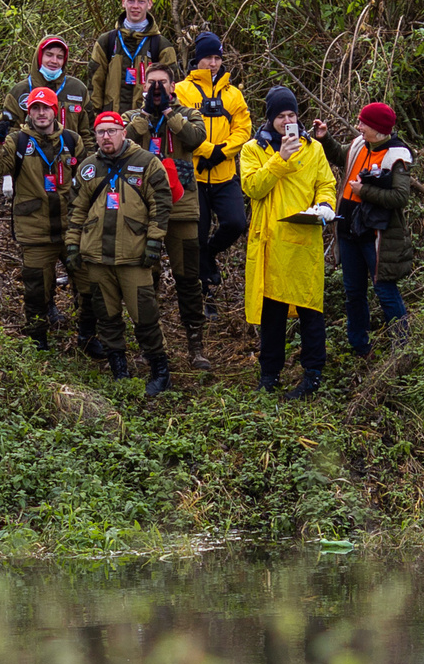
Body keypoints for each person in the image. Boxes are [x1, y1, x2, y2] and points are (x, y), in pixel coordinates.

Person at [66, 110, 174, 398]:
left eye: (111, 131)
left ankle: (160, 371)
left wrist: (154, 242)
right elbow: (76, 209)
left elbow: (161, 205)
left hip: (134, 255)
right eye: (101, 132)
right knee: (107, 316)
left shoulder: (147, 163)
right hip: (98, 256)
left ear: (123, 133)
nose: (106, 137)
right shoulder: (89, 167)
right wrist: (73, 244)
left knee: (145, 315)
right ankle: (119, 369)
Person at [239, 85, 336, 398]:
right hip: (270, 243)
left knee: (310, 311)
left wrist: (325, 206)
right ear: (270, 118)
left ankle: (313, 375)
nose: (286, 121)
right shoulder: (253, 149)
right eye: (280, 116)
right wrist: (280, 159)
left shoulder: (313, 149)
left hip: (303, 241)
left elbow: (326, 184)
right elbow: (252, 187)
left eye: (291, 114)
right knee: (273, 315)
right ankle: (270, 376)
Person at [125, 63, 211, 372]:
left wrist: (168, 114)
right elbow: (122, 142)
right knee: (146, 279)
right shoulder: (134, 117)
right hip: (142, 211)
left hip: (182, 208)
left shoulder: (189, 114)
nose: (157, 89)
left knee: (188, 277)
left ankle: (195, 345)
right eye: (152, 84)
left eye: (163, 83)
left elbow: (196, 139)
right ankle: (150, 345)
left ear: (173, 87)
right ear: (143, 86)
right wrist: (147, 115)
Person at [0, 86, 84, 350]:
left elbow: (89, 178)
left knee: (87, 284)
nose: (41, 113)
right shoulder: (17, 142)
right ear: (29, 112)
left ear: (55, 111)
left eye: (46, 108)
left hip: (71, 228)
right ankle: (37, 341)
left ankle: (88, 337)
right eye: (35, 108)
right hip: (35, 229)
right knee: (36, 291)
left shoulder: (72, 140)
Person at [319, 100, 416, 357]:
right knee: (353, 292)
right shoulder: (359, 144)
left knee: (384, 289)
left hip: (376, 235)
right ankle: (360, 348)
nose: (358, 126)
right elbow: (341, 156)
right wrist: (325, 138)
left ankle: (403, 349)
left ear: (379, 129)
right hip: (349, 231)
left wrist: (366, 191)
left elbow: (400, 197)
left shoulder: (397, 154)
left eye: (363, 123)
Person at [177, 33, 250, 316]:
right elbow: (180, 127)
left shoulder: (234, 94)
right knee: (195, 236)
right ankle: (207, 296)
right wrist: (206, 150)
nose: (214, 63)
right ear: (198, 59)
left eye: (218, 58)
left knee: (235, 222)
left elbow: (243, 130)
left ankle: (210, 254)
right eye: (209, 57)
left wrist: (220, 153)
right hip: (193, 178)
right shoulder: (183, 90)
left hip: (225, 174)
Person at [92, 0, 180, 119]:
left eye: (141, 1)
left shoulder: (161, 45)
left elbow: (171, 90)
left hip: (148, 122)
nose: (135, 6)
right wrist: (95, 121)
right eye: (131, 1)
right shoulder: (106, 41)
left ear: (149, 4)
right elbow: (95, 86)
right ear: (123, 2)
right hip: (112, 122)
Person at [5, 33, 91, 135]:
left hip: (69, 150)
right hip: (31, 150)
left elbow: (89, 134)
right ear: (39, 56)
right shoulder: (19, 91)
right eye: (49, 55)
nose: (54, 61)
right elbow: (7, 134)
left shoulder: (78, 89)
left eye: (59, 57)